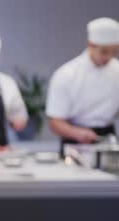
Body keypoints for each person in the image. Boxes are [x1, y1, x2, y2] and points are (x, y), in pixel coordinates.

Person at [46, 17, 119, 154]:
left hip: (108, 137)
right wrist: (76, 133)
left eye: (114, 52)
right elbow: (55, 122)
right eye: (104, 51)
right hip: (75, 140)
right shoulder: (66, 74)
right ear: (90, 44)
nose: (109, 57)